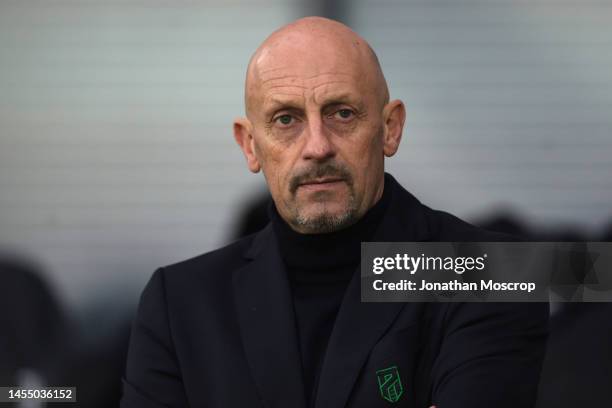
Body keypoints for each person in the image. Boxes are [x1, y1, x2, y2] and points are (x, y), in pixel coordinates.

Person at [120, 17, 548, 408]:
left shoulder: (500, 273)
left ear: (390, 128)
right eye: (286, 120)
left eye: (342, 113)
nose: (317, 147)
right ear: (250, 145)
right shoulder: (178, 303)